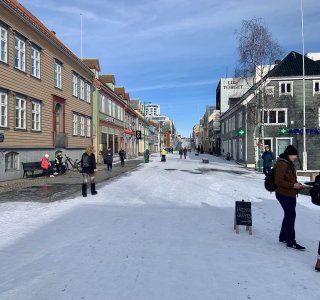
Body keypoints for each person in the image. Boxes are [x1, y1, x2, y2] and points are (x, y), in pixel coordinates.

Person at [274, 145, 305, 250]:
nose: (295, 157)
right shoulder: (282, 164)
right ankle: (290, 241)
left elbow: (289, 178)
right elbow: (279, 181)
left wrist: (296, 184)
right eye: (294, 155)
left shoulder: (288, 163)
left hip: (289, 193)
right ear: (289, 154)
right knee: (291, 216)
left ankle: (283, 237)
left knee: (288, 215)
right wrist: (293, 185)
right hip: (284, 194)